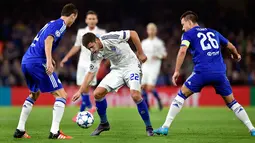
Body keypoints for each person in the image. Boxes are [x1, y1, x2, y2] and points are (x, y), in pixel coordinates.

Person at [153, 11, 255, 136]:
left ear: (189, 22)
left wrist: (176, 71)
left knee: (181, 95)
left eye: (183, 24)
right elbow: (230, 46)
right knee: (232, 102)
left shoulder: (188, 34)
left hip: (202, 72)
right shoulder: (214, 32)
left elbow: (182, 51)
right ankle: (252, 129)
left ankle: (165, 127)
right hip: (220, 73)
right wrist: (237, 56)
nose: (182, 27)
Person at [13, 3, 78, 139]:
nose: (74, 21)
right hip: (38, 62)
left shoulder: (50, 23)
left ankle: (20, 129)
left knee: (34, 94)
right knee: (61, 95)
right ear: (72, 15)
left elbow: (43, 40)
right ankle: (55, 132)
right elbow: (48, 40)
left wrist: (50, 57)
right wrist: (48, 60)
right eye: (74, 18)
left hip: (27, 61)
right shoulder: (61, 24)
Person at [72, 30, 154, 136]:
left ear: (97, 40)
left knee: (135, 95)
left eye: (92, 46)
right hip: (117, 70)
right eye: (89, 49)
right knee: (97, 93)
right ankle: (104, 123)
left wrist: (141, 52)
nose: (91, 50)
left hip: (132, 66)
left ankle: (149, 127)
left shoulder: (111, 37)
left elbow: (133, 33)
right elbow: (90, 73)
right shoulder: (94, 54)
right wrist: (80, 91)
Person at [60, 10, 106, 122]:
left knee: (85, 88)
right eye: (89, 18)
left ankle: (85, 110)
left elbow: (105, 48)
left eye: (93, 18)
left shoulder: (102, 32)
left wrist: (105, 63)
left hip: (93, 64)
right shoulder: (81, 32)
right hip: (82, 63)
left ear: (97, 20)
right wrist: (67, 57)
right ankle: (88, 109)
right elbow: (76, 46)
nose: (91, 21)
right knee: (82, 87)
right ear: (86, 20)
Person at [141, 23, 167, 111]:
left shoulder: (159, 43)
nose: (151, 31)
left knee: (150, 87)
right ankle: (147, 106)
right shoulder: (144, 43)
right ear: (147, 31)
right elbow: (140, 54)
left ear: (155, 31)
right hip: (145, 65)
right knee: (142, 86)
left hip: (154, 66)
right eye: (149, 29)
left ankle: (159, 100)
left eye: (153, 29)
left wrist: (157, 56)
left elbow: (164, 55)